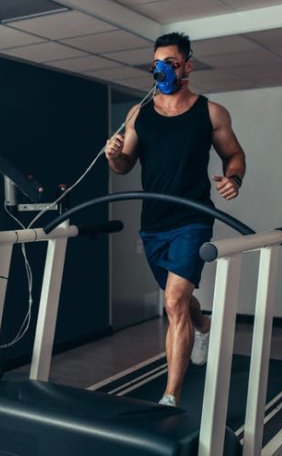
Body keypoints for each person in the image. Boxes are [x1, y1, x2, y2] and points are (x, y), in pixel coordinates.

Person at [105, 32, 246, 407]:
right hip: (153, 224)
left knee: (172, 302)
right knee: (181, 302)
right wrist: (113, 154)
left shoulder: (210, 112)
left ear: (187, 65)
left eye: (170, 61)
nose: (162, 68)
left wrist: (233, 178)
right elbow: (124, 166)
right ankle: (202, 326)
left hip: (192, 220)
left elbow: (234, 155)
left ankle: (170, 398)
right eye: (157, 63)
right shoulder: (139, 114)